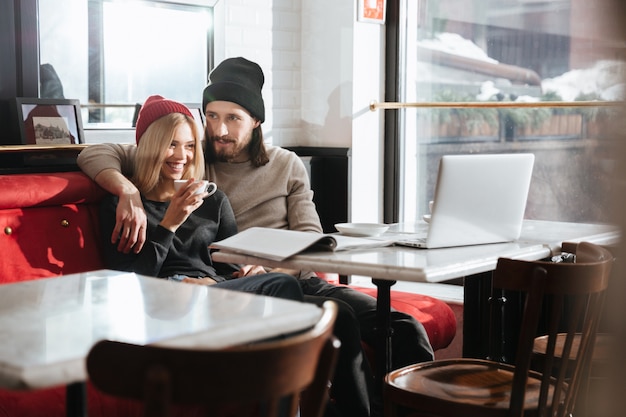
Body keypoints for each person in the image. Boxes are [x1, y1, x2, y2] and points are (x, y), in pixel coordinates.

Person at [78, 57, 434, 417]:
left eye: (233, 118)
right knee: (310, 306)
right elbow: (104, 152)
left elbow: (307, 237)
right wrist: (127, 191)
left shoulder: (281, 165)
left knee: (400, 326)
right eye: (212, 116)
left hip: (294, 276)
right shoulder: (195, 160)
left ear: (256, 122)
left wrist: (266, 269)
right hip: (232, 290)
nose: (219, 130)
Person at [99, 94, 304, 303]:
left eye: (189, 146)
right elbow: (126, 282)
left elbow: (230, 269)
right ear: (150, 145)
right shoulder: (123, 207)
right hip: (160, 298)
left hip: (213, 292)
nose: (182, 156)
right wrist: (169, 225)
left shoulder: (214, 201)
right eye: (171, 144)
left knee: (284, 285)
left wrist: (218, 281)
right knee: (282, 286)